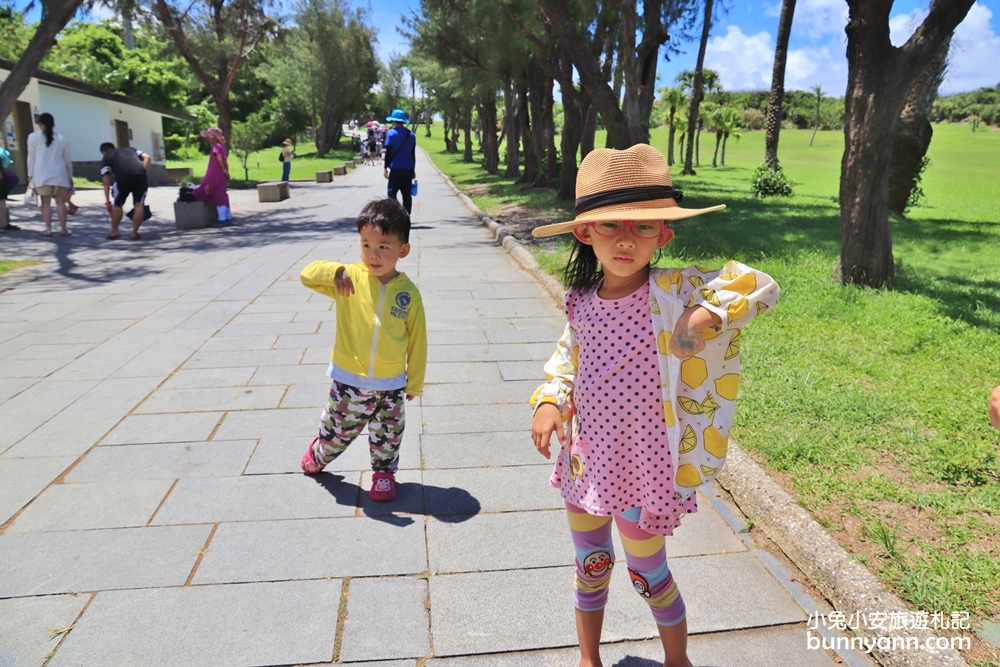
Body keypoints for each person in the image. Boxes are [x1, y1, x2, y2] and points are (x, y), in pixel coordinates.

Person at [529, 144, 780, 667]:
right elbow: (566, 360)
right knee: (590, 564)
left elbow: (760, 286)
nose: (626, 239)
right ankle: (588, 658)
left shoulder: (673, 291)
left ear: (663, 235)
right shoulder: (580, 302)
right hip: (586, 460)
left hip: (646, 464)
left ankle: (677, 659)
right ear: (584, 232)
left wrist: (704, 315)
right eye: (611, 225)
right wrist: (550, 401)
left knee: (648, 573)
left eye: (644, 227)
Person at [299, 198, 427, 502]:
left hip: (392, 384)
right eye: (366, 245)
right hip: (349, 382)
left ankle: (384, 474)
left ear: (403, 250)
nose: (373, 254)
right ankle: (320, 452)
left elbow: (417, 340)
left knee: (389, 435)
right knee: (337, 433)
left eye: (384, 246)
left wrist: (415, 382)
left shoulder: (408, 294)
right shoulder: (350, 278)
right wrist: (335, 272)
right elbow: (307, 274)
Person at [26, 112, 73, 237]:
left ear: (40, 124)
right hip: (60, 175)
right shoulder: (62, 139)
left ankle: (48, 229)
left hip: (41, 174)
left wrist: (30, 174)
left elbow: (31, 158)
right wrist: (69, 176)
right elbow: (67, 159)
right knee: (60, 202)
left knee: (45, 202)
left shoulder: (33, 137)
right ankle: (63, 229)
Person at [99, 142, 151, 240]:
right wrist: (144, 174)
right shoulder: (130, 149)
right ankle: (134, 233)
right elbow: (147, 157)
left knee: (118, 204)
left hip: (123, 178)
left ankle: (114, 232)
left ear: (103, 152)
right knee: (139, 204)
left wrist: (107, 201)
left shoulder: (106, 158)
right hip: (140, 176)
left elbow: (106, 183)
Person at [191, 127, 232, 226]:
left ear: (215, 137)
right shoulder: (221, 146)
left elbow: (219, 159)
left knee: (211, 191)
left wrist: (223, 170)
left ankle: (222, 218)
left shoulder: (216, 147)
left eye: (210, 136)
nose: (208, 138)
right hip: (220, 174)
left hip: (215, 173)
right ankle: (227, 216)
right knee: (221, 193)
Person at [383, 109, 416, 215]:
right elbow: (412, 153)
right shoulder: (411, 135)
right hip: (408, 168)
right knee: (407, 194)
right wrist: (413, 169)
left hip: (396, 168)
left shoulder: (391, 134)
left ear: (393, 121)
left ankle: (393, 216)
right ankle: (406, 217)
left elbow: (388, 152)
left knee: (391, 193)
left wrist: (385, 168)